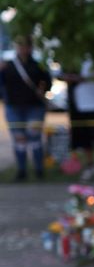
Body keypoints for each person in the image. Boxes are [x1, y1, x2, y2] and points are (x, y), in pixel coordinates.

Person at [0, 36, 52, 181]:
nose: (23, 49)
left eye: (25, 46)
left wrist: (44, 90)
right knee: (19, 140)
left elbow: (47, 81)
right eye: (20, 46)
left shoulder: (37, 64)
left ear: (30, 48)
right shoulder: (8, 66)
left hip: (34, 107)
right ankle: (21, 171)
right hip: (13, 107)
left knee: (35, 137)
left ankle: (39, 170)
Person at [63, 59, 94, 178]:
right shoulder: (75, 60)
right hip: (80, 106)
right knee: (85, 139)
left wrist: (79, 78)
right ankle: (90, 165)